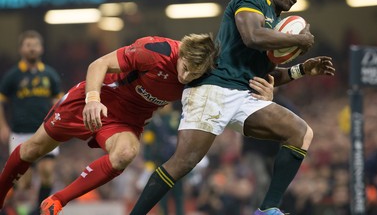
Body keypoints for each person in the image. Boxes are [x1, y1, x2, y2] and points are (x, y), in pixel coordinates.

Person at [130, 0, 336, 215]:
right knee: (183, 162)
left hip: (244, 96)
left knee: (301, 133)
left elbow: (264, 77)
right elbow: (252, 36)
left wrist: (303, 69)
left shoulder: (276, 27)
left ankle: (268, 209)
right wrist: (299, 40)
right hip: (213, 89)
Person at [0, 33, 273, 215]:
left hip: (127, 120)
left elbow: (243, 87)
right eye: (186, 67)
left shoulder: (206, 76)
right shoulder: (154, 51)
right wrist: (93, 99)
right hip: (94, 100)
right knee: (32, 150)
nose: (187, 76)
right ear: (182, 54)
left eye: (195, 74)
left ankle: (58, 200)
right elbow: (99, 64)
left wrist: (268, 92)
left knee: (125, 154)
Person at [0, 30, 63, 215]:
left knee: (47, 172)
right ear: (21, 49)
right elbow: (1, 101)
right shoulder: (12, 76)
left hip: (46, 131)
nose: (32, 49)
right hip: (20, 133)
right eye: (28, 45)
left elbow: (58, 103)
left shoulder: (50, 75)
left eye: (35, 45)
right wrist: (3, 126)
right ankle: (10, 207)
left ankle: (37, 211)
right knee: (23, 182)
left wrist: (60, 125)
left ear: (41, 48)